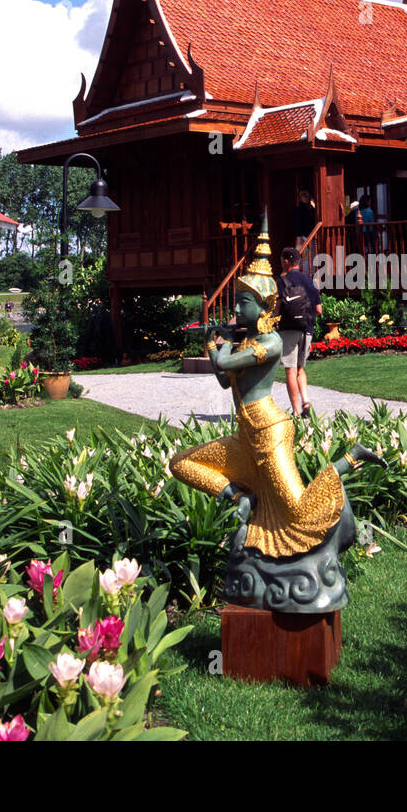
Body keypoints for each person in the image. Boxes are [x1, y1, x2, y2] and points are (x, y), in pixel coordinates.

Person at [168, 219, 382, 611]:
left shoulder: (266, 341)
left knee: (298, 509)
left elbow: (223, 365)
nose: (235, 308)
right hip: (244, 437)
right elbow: (224, 381)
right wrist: (222, 347)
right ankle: (239, 497)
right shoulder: (245, 339)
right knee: (180, 463)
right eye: (236, 301)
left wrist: (216, 347)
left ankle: (350, 458)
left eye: (242, 302)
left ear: (265, 306)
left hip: (269, 433)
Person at [277, 245, 322, 418]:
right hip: (307, 330)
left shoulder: (282, 281)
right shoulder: (310, 281)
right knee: (300, 368)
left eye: (282, 260)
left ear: (287, 261)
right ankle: (306, 402)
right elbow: (319, 310)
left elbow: (277, 308)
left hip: (289, 330)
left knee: (290, 370)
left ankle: (296, 411)